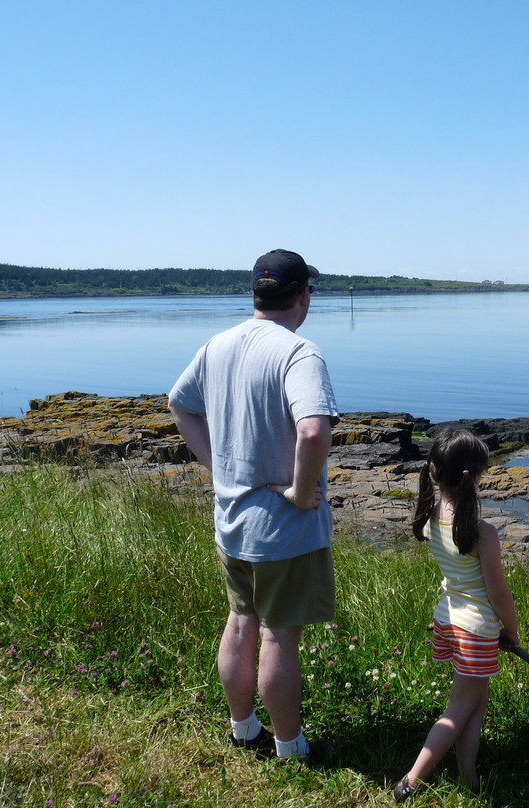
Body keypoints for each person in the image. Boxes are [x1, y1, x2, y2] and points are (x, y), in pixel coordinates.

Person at [168, 248, 339, 760]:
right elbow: (313, 431)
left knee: (240, 622)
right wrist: (299, 491)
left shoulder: (218, 345)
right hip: (284, 530)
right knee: (279, 637)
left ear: (256, 294)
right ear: (303, 296)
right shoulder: (299, 353)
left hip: (232, 522)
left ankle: (243, 729)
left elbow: (180, 404)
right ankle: (290, 748)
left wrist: (220, 467)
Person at [392, 428, 520, 803]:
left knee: (475, 703)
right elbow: (498, 593)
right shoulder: (482, 533)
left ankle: (470, 778)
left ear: (434, 471)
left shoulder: (429, 517)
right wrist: (511, 629)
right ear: (475, 476)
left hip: (449, 619)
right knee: (459, 708)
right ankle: (411, 780)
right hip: (477, 628)